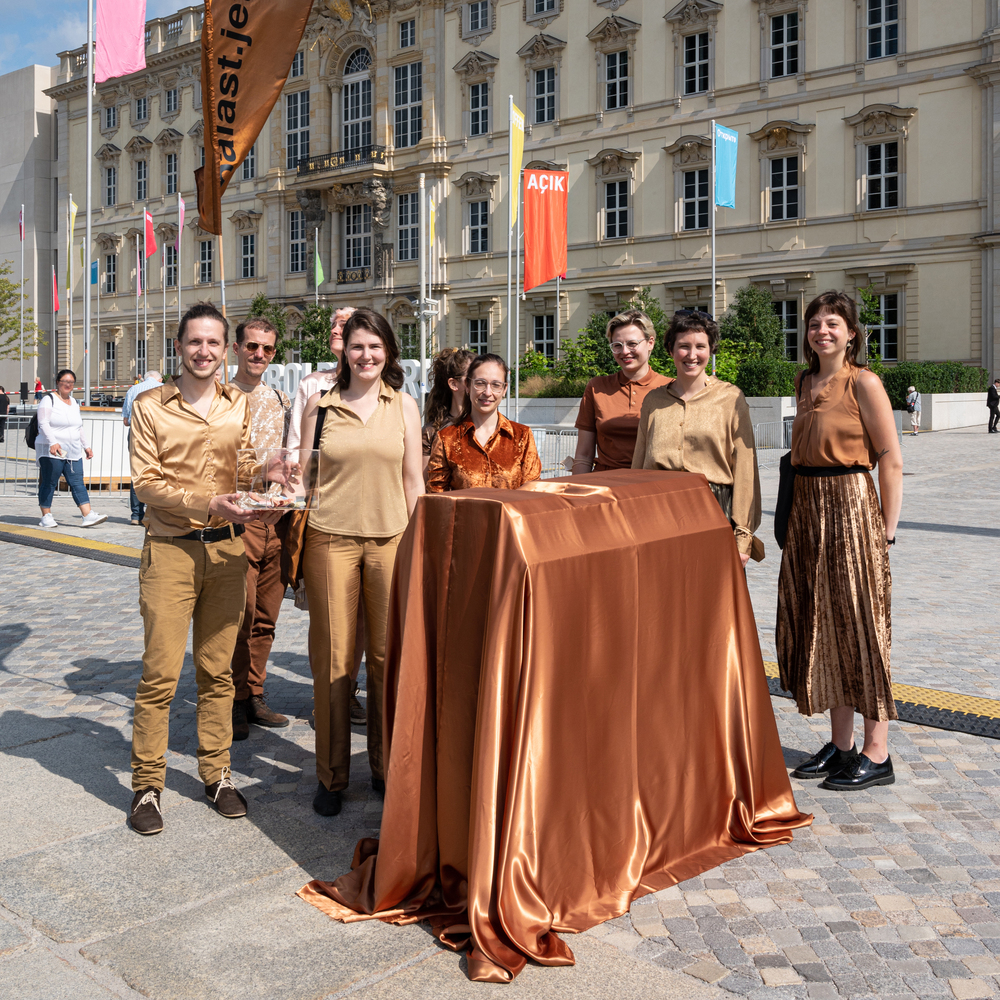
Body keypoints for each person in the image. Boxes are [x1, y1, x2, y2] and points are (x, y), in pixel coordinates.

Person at [127, 301, 282, 836]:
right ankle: (147, 785)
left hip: (226, 554)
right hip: (170, 550)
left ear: (225, 349)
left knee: (218, 673)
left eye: (214, 342)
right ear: (179, 346)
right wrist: (209, 502)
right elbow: (146, 482)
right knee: (160, 675)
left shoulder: (236, 402)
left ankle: (216, 774)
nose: (204, 350)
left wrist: (267, 468)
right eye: (195, 341)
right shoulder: (150, 406)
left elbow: (239, 464)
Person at [299, 308, 423, 817]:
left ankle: (384, 766)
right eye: (357, 347)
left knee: (388, 659)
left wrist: (422, 544)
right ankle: (330, 775)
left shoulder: (405, 406)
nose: (366, 355)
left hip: (391, 540)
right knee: (333, 662)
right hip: (330, 539)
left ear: (388, 351)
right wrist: (270, 477)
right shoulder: (320, 406)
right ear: (343, 352)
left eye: (375, 346)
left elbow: (414, 481)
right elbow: (300, 479)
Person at [776, 291, 902, 792]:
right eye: (814, 323)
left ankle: (879, 750)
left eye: (833, 323)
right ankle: (842, 744)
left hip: (850, 504)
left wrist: (886, 530)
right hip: (808, 507)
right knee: (819, 622)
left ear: (851, 333)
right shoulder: (804, 381)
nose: (821, 331)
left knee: (861, 621)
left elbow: (890, 459)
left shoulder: (864, 382)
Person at [286, 305, 366, 727]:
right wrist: (298, 500)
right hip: (324, 507)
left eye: (346, 322)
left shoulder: (380, 382)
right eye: (335, 323)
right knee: (329, 616)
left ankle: (348, 689)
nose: (337, 327)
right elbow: (298, 448)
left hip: (369, 512)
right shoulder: (314, 387)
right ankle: (326, 698)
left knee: (364, 621)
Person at [631, 312, 762, 567]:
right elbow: (638, 463)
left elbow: (745, 469)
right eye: (684, 346)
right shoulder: (653, 401)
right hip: (658, 512)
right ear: (670, 350)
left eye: (700, 346)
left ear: (711, 350)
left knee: (712, 597)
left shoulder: (731, 399)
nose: (692, 355)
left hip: (712, 510)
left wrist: (743, 536)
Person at [229, 317, 292, 739]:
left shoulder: (281, 399)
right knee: (239, 613)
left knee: (267, 615)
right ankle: (232, 698)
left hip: (278, 518)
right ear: (237, 348)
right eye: (252, 346)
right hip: (239, 518)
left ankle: (254, 692)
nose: (259, 355)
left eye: (267, 349)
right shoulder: (221, 398)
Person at [571, 309, 669, 474]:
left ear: (650, 342)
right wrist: (576, 493)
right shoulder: (597, 387)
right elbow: (583, 455)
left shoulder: (670, 389)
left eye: (632, 344)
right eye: (617, 345)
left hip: (652, 484)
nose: (624, 352)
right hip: (605, 485)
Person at [426, 353, 542, 492]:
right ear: (468, 386)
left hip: (510, 514)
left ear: (504, 389)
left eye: (495, 385)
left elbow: (533, 489)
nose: (487, 392)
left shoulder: (522, 436)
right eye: (480, 383)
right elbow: (437, 495)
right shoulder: (446, 439)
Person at [36, 369, 107, 529]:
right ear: (58, 383)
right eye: (64, 382)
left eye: (71, 382)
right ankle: (46, 516)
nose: (68, 385)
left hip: (73, 450)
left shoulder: (74, 402)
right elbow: (43, 423)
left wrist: (86, 446)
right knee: (49, 482)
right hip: (52, 450)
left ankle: (87, 515)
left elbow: (78, 427)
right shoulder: (49, 400)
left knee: (77, 482)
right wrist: (53, 442)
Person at [287, 306, 356, 451]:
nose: (334, 331)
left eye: (343, 326)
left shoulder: (374, 385)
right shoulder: (312, 383)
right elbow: (296, 444)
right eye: (333, 326)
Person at [421, 347, 475, 478]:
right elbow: (425, 484)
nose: (480, 384)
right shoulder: (432, 431)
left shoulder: (495, 425)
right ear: (453, 384)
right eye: (472, 378)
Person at [122, 371, 164, 525]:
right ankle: (154, 515)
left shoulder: (133, 390)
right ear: (159, 378)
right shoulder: (164, 388)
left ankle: (136, 515)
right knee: (159, 473)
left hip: (136, 434)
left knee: (138, 472)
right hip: (158, 435)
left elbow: (126, 420)